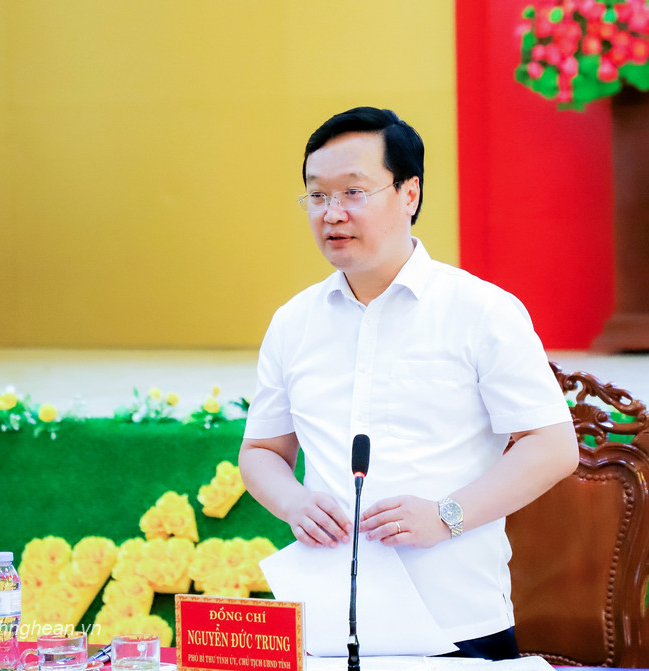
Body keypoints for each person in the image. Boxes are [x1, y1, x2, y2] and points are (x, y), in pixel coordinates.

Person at [238, 106, 578, 661]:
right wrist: (293, 502)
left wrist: (447, 515)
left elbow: (553, 446)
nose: (332, 213)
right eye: (317, 195)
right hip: (329, 624)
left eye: (353, 192)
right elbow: (261, 452)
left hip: (457, 621)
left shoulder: (482, 311)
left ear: (409, 193)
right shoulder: (293, 322)